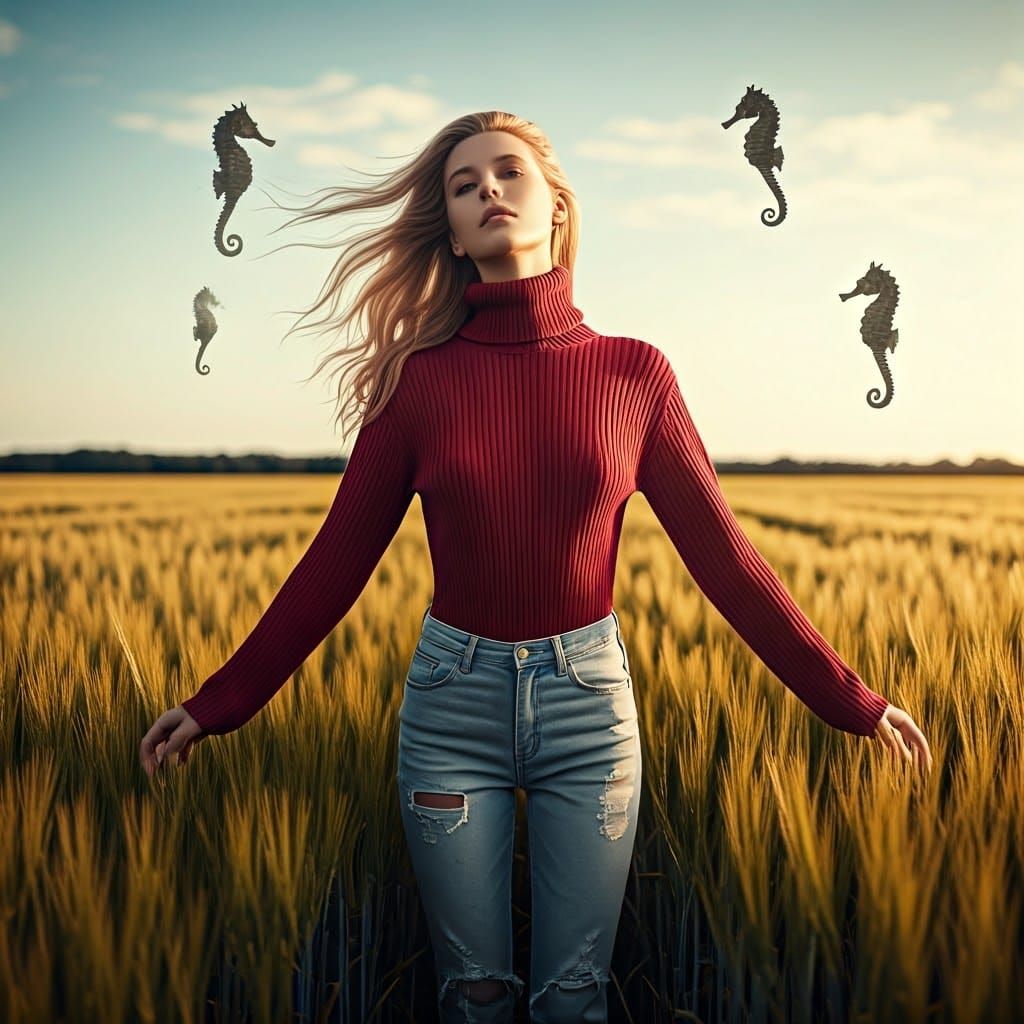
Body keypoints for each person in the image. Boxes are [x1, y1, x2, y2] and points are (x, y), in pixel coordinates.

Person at [140, 112, 932, 1022]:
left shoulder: (635, 375)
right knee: (473, 997)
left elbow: (725, 558)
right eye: (463, 184)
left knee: (572, 997)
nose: (487, 191)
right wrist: (219, 702)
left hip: (588, 709)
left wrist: (850, 700)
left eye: (508, 172)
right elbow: (334, 563)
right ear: (448, 227)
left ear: (556, 204)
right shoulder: (416, 384)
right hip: (452, 708)